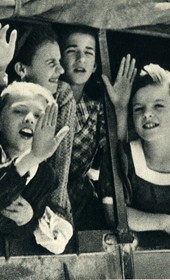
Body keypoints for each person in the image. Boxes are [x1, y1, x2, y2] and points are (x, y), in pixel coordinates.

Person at [59, 25, 137, 229]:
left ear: (94, 66)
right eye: (71, 51)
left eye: (88, 52)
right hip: (40, 200)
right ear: (58, 59)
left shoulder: (95, 110)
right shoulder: (43, 102)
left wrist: (120, 108)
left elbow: (117, 152)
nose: (80, 59)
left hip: (81, 203)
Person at [0, 23, 76, 224]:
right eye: (51, 63)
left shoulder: (62, 94)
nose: (61, 70)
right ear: (21, 69)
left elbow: (60, 165)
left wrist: (41, 216)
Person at [0, 81, 73, 257]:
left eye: (39, 116)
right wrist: (32, 157)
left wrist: (27, 219)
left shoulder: (46, 176)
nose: (29, 119)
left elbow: (20, 230)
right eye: (19, 111)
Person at [103, 63, 170, 249]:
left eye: (158, 106)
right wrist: (164, 223)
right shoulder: (124, 158)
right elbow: (114, 212)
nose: (148, 114)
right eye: (139, 109)